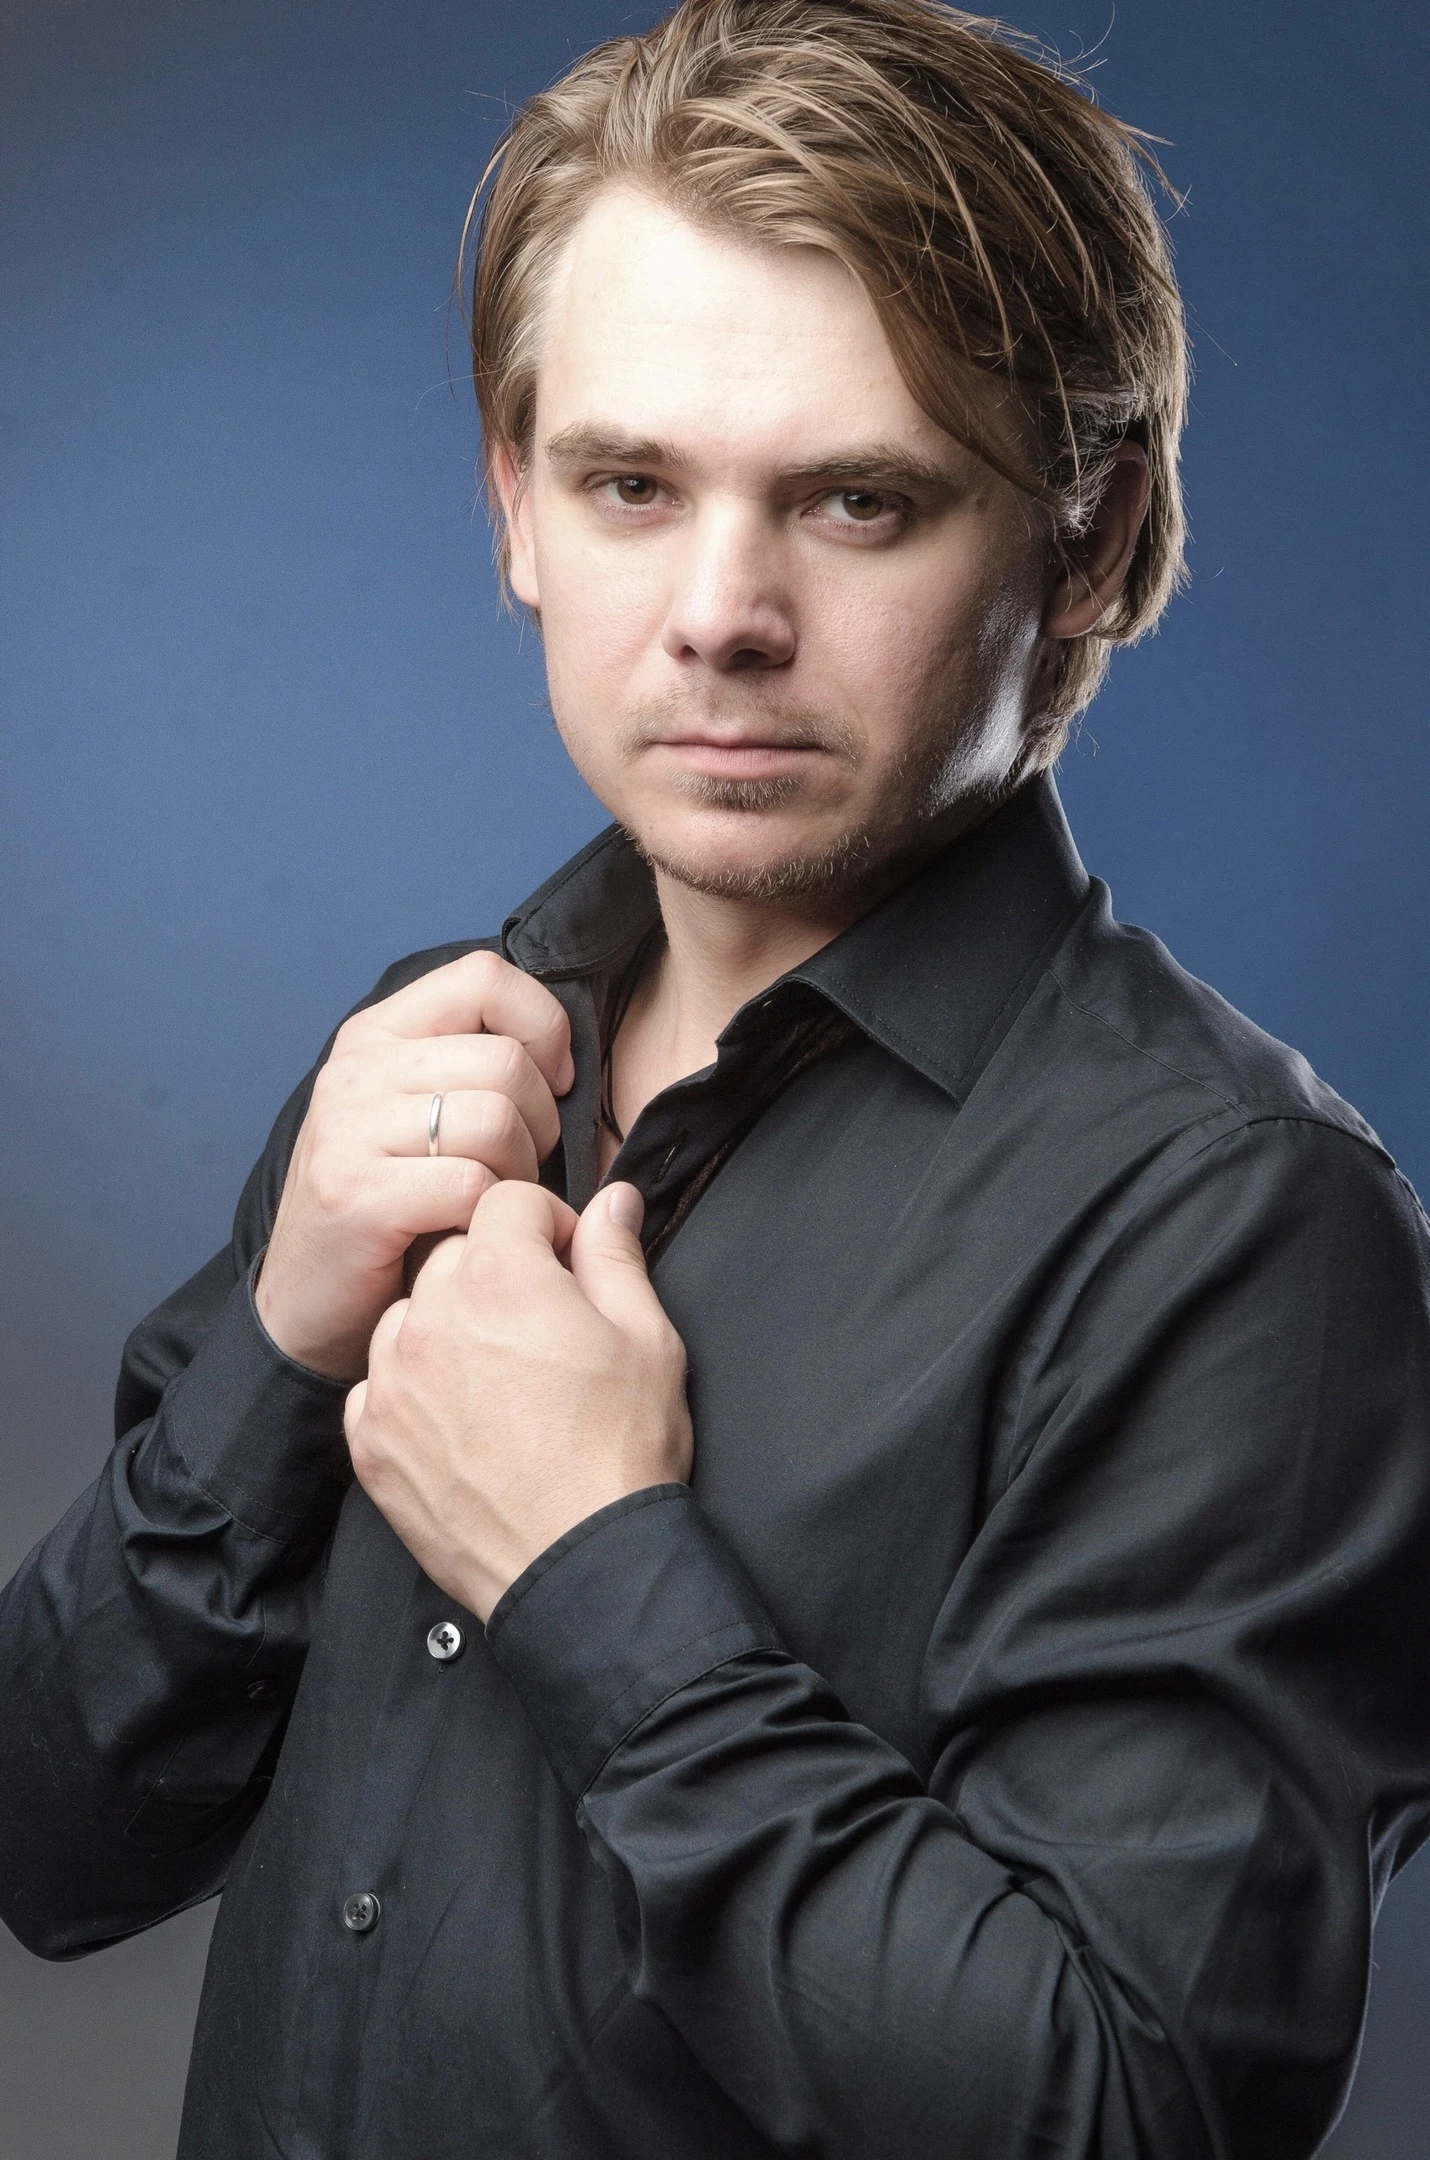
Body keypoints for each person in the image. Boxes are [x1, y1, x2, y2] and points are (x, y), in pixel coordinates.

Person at [3, 2, 1428, 2154]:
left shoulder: (1236, 1224)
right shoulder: (424, 1061)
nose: (718, 614)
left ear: (1089, 541)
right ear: (516, 506)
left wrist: (590, 1567)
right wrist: (277, 1360)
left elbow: (1124, 2115)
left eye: (858, 500)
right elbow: (47, 1844)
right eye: (631, 486)